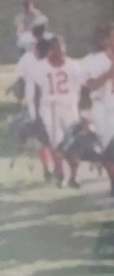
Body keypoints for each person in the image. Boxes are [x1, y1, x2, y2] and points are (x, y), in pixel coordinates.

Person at [31, 36, 83, 188]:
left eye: (61, 47)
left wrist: (84, 109)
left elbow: (83, 87)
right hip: (51, 106)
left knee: (73, 142)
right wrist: (37, 115)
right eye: (55, 48)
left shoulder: (73, 65)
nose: (59, 51)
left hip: (70, 105)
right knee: (56, 142)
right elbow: (37, 92)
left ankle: (74, 176)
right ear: (49, 50)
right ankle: (61, 173)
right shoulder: (41, 67)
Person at [16, 38, 54, 180]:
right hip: (51, 104)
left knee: (43, 139)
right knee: (51, 138)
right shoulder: (52, 64)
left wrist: (21, 100)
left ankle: (48, 168)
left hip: (39, 104)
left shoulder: (31, 62)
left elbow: (21, 81)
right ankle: (52, 167)